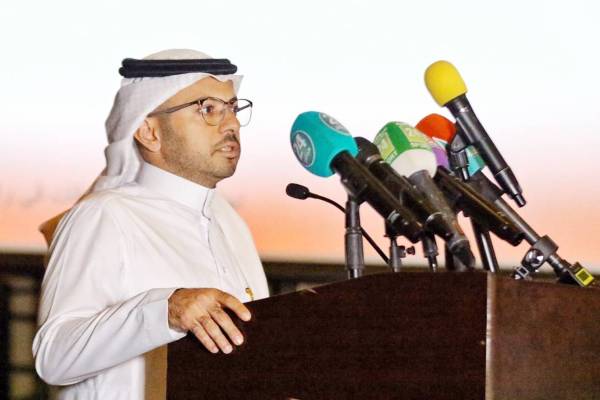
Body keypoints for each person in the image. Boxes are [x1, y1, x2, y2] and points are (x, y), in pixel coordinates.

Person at [32, 49, 269, 399]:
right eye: (207, 109)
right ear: (148, 132)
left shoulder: (230, 223)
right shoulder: (105, 215)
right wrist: (164, 311)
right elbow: (53, 357)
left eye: (233, 108)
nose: (231, 124)